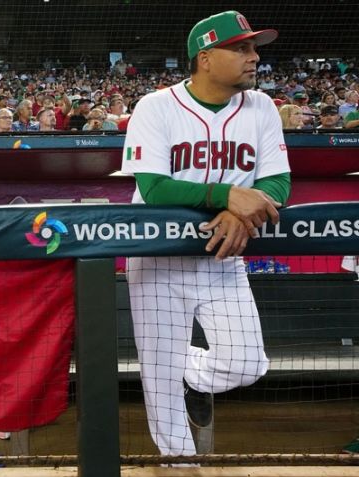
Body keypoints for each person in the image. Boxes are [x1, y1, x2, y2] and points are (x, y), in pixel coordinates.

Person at [121, 11, 291, 458]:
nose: (254, 57)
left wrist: (240, 213)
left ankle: (190, 375)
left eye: (254, 48)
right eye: (241, 48)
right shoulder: (155, 107)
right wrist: (229, 196)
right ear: (205, 58)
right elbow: (153, 187)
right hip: (158, 259)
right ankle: (178, 465)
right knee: (160, 387)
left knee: (246, 363)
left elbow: (278, 182)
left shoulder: (262, 109)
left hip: (223, 254)